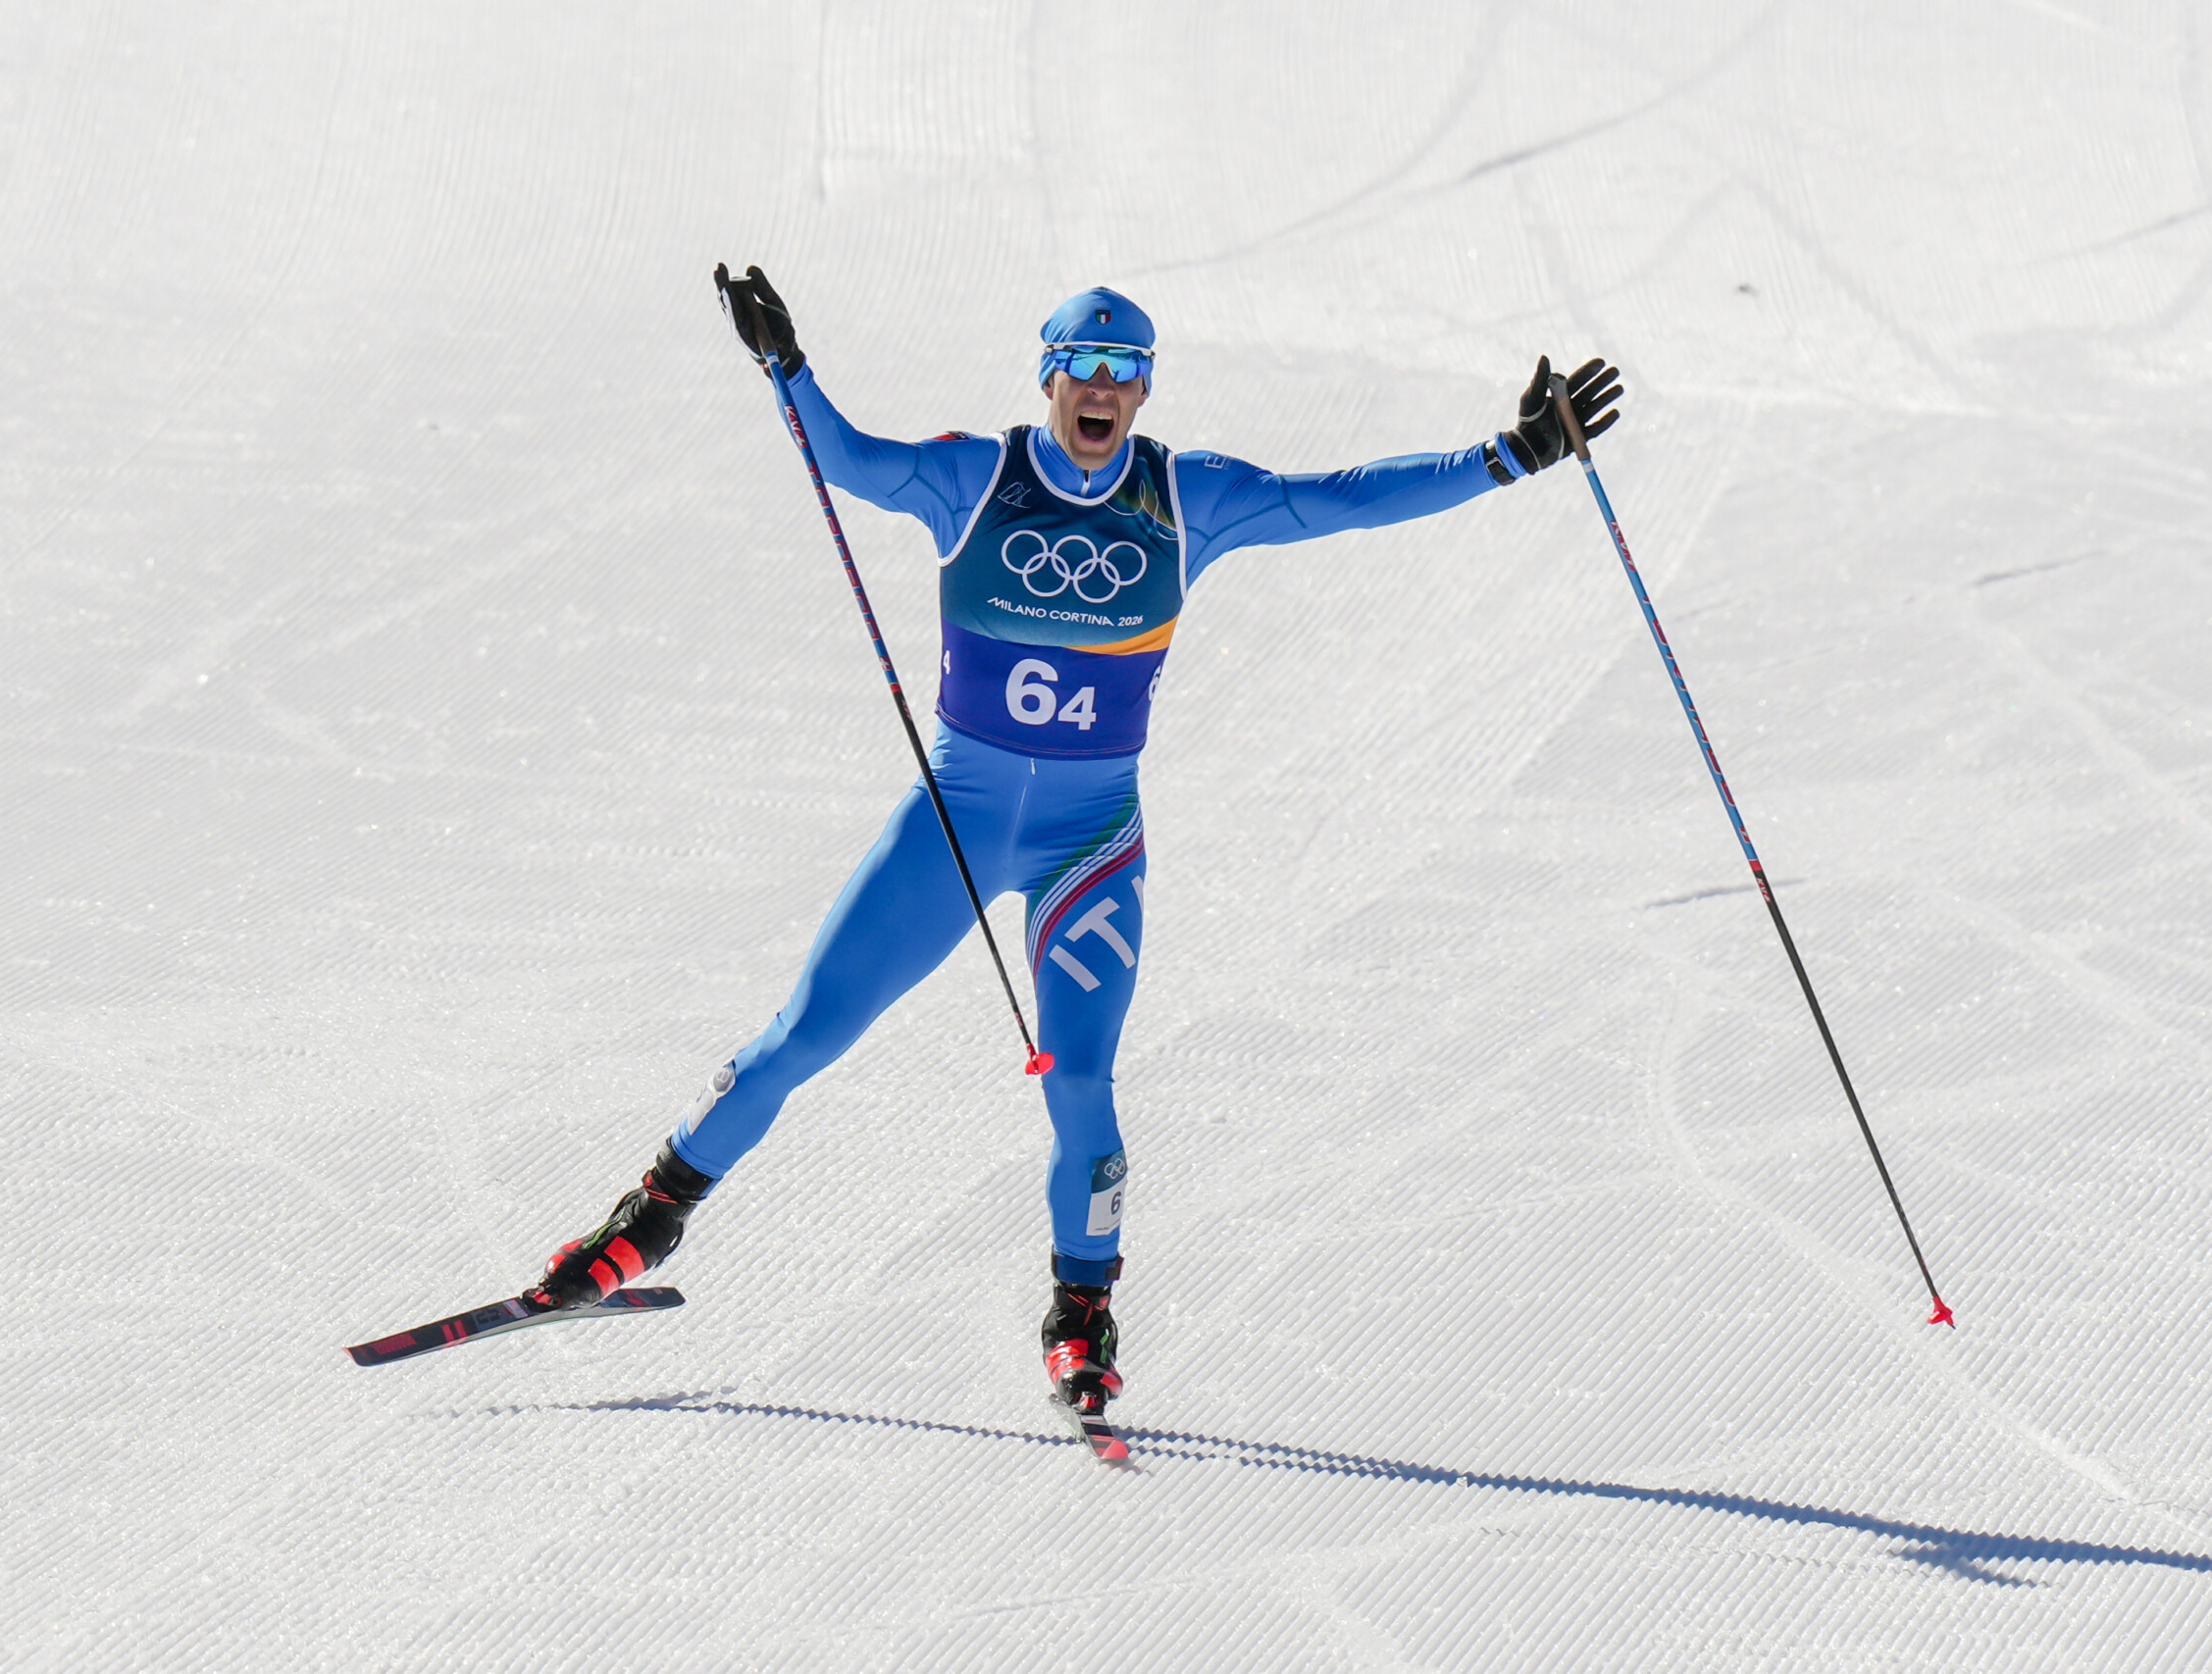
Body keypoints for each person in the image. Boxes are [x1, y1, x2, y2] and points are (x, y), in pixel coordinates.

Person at [531, 268, 1620, 1425]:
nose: (1101, 388)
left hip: (1089, 843)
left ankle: (1081, 1316)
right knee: (806, 1033)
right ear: (1048, 376)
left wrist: (1511, 456)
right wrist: (786, 367)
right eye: (1082, 367)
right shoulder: (975, 478)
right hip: (955, 828)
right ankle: (645, 1221)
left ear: (1144, 390)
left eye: (1124, 371)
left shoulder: (1186, 499)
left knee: (1082, 1080)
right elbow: (847, 460)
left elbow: (1343, 500)